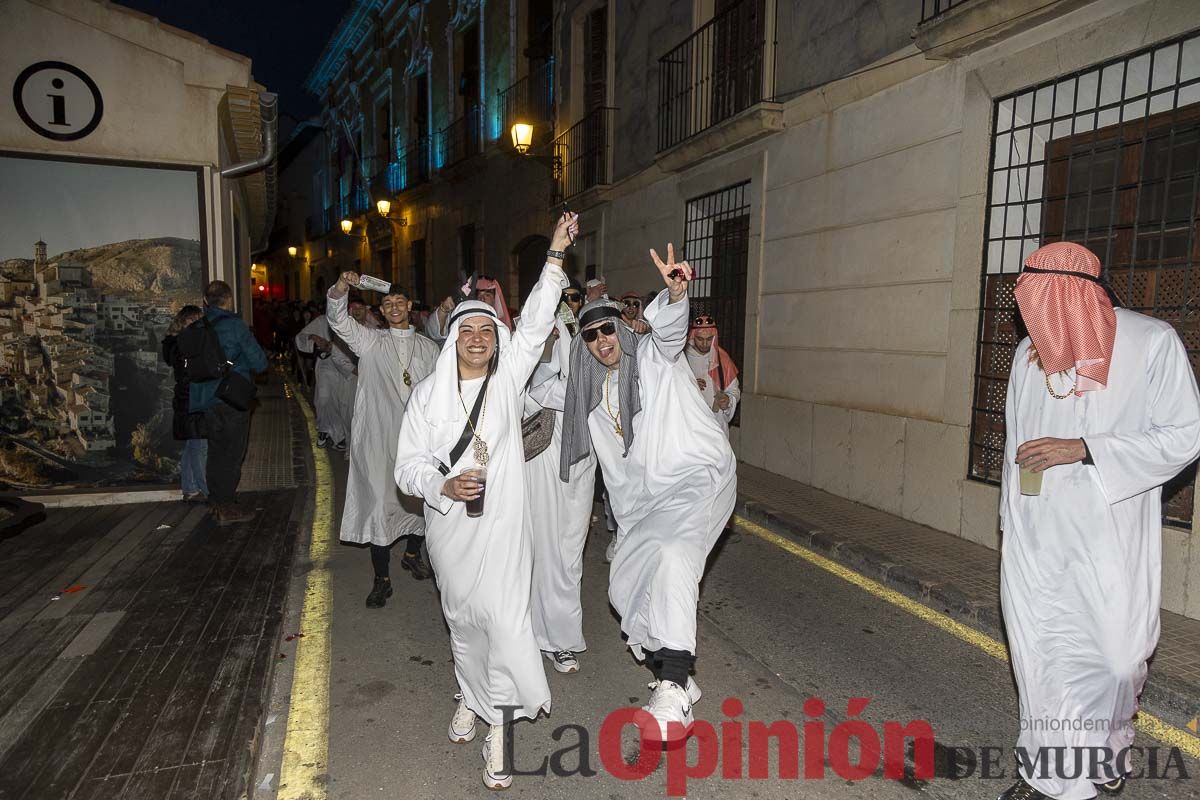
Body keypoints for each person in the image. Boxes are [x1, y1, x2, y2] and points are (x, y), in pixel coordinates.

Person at [998, 242, 1200, 800]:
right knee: (1043, 657)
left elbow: (1185, 434)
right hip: (1038, 538)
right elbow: (1017, 449)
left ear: (1080, 295)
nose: (1034, 317)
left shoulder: (1151, 343)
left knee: (1117, 658)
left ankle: (1106, 752)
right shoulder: (1026, 357)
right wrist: (1012, 529)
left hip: (1110, 536)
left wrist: (1084, 448)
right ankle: (1044, 775)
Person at [395, 212, 577, 790]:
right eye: (467, 331)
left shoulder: (507, 382)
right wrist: (442, 486)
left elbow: (539, 319)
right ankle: (468, 696)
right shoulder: (426, 396)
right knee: (463, 622)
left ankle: (498, 727)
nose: (477, 339)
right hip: (450, 532)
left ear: (496, 340)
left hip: (503, 532)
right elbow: (407, 466)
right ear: (452, 339)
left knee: (505, 621)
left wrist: (554, 255)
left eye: (486, 332)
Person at [559, 244, 736, 741]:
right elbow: (528, 388)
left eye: (607, 327)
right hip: (646, 506)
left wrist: (676, 294)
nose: (601, 339)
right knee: (625, 587)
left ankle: (673, 680)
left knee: (677, 554)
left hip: (696, 477)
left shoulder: (655, 361)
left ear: (621, 327)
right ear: (585, 345)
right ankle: (678, 682)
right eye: (590, 334)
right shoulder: (589, 403)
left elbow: (671, 330)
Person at [327, 275, 440, 605]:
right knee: (379, 505)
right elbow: (337, 318)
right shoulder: (370, 341)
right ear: (381, 309)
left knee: (419, 502)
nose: (394, 307)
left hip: (417, 440)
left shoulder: (428, 348)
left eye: (399, 303)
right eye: (387, 303)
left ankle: (411, 555)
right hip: (378, 438)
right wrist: (339, 290)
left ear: (409, 307)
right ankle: (381, 578)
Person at [522, 310, 596, 674]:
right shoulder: (535, 360)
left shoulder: (598, 362)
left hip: (580, 471)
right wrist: (547, 344)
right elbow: (532, 393)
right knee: (539, 553)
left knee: (567, 557)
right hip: (541, 462)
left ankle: (558, 638)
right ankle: (546, 639)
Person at [191, 280, 268, 526]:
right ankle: (226, 507)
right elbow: (260, 363)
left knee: (215, 453)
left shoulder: (198, 326)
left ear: (205, 300)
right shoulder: (235, 326)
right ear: (229, 300)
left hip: (207, 401)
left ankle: (217, 501)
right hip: (232, 399)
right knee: (233, 455)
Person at [162, 305, 207, 502]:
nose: (197, 325)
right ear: (185, 322)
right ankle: (207, 490)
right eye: (194, 321)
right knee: (199, 444)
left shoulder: (175, 344)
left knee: (192, 444)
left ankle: (189, 488)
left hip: (185, 397)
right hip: (193, 397)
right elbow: (192, 372)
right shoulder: (185, 345)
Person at [295, 309, 356, 451]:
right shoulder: (322, 321)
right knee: (324, 398)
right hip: (327, 366)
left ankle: (340, 435)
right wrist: (313, 337)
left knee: (343, 401)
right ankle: (326, 430)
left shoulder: (352, 320)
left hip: (348, 367)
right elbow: (301, 337)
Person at [686, 314, 741, 435]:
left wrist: (728, 400)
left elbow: (734, 391)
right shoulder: (682, 358)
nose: (705, 343)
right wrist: (690, 384)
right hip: (689, 423)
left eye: (709, 339)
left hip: (716, 422)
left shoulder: (723, 358)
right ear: (693, 337)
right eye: (700, 339)